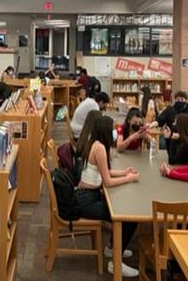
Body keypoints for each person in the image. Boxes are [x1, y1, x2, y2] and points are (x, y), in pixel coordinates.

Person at [76, 115, 140, 277]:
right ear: (105, 130)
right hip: (86, 201)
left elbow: (106, 171)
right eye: (112, 128)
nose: (114, 131)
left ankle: (113, 249)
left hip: (86, 196)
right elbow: (108, 181)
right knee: (128, 218)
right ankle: (115, 262)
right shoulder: (100, 149)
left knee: (126, 215)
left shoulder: (94, 144)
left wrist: (124, 172)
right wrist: (129, 178)